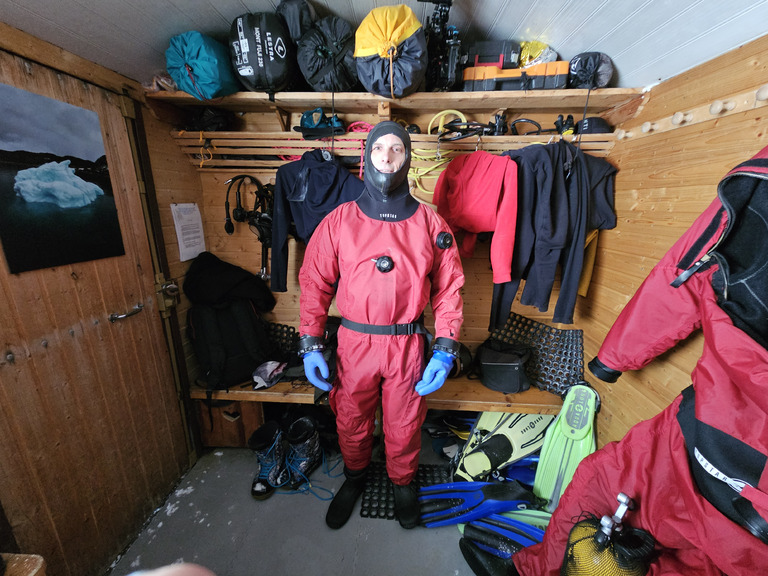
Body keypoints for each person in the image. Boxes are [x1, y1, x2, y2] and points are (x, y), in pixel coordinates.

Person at [297, 121, 465, 530]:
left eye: (397, 150)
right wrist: (310, 343)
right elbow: (314, 282)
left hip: (406, 345)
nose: (387, 158)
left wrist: (445, 348)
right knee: (350, 420)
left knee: (404, 423)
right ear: (365, 156)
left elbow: (449, 289)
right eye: (378, 149)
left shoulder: (430, 223)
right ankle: (355, 477)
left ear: (408, 158)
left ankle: (403, 483)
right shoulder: (340, 221)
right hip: (354, 342)